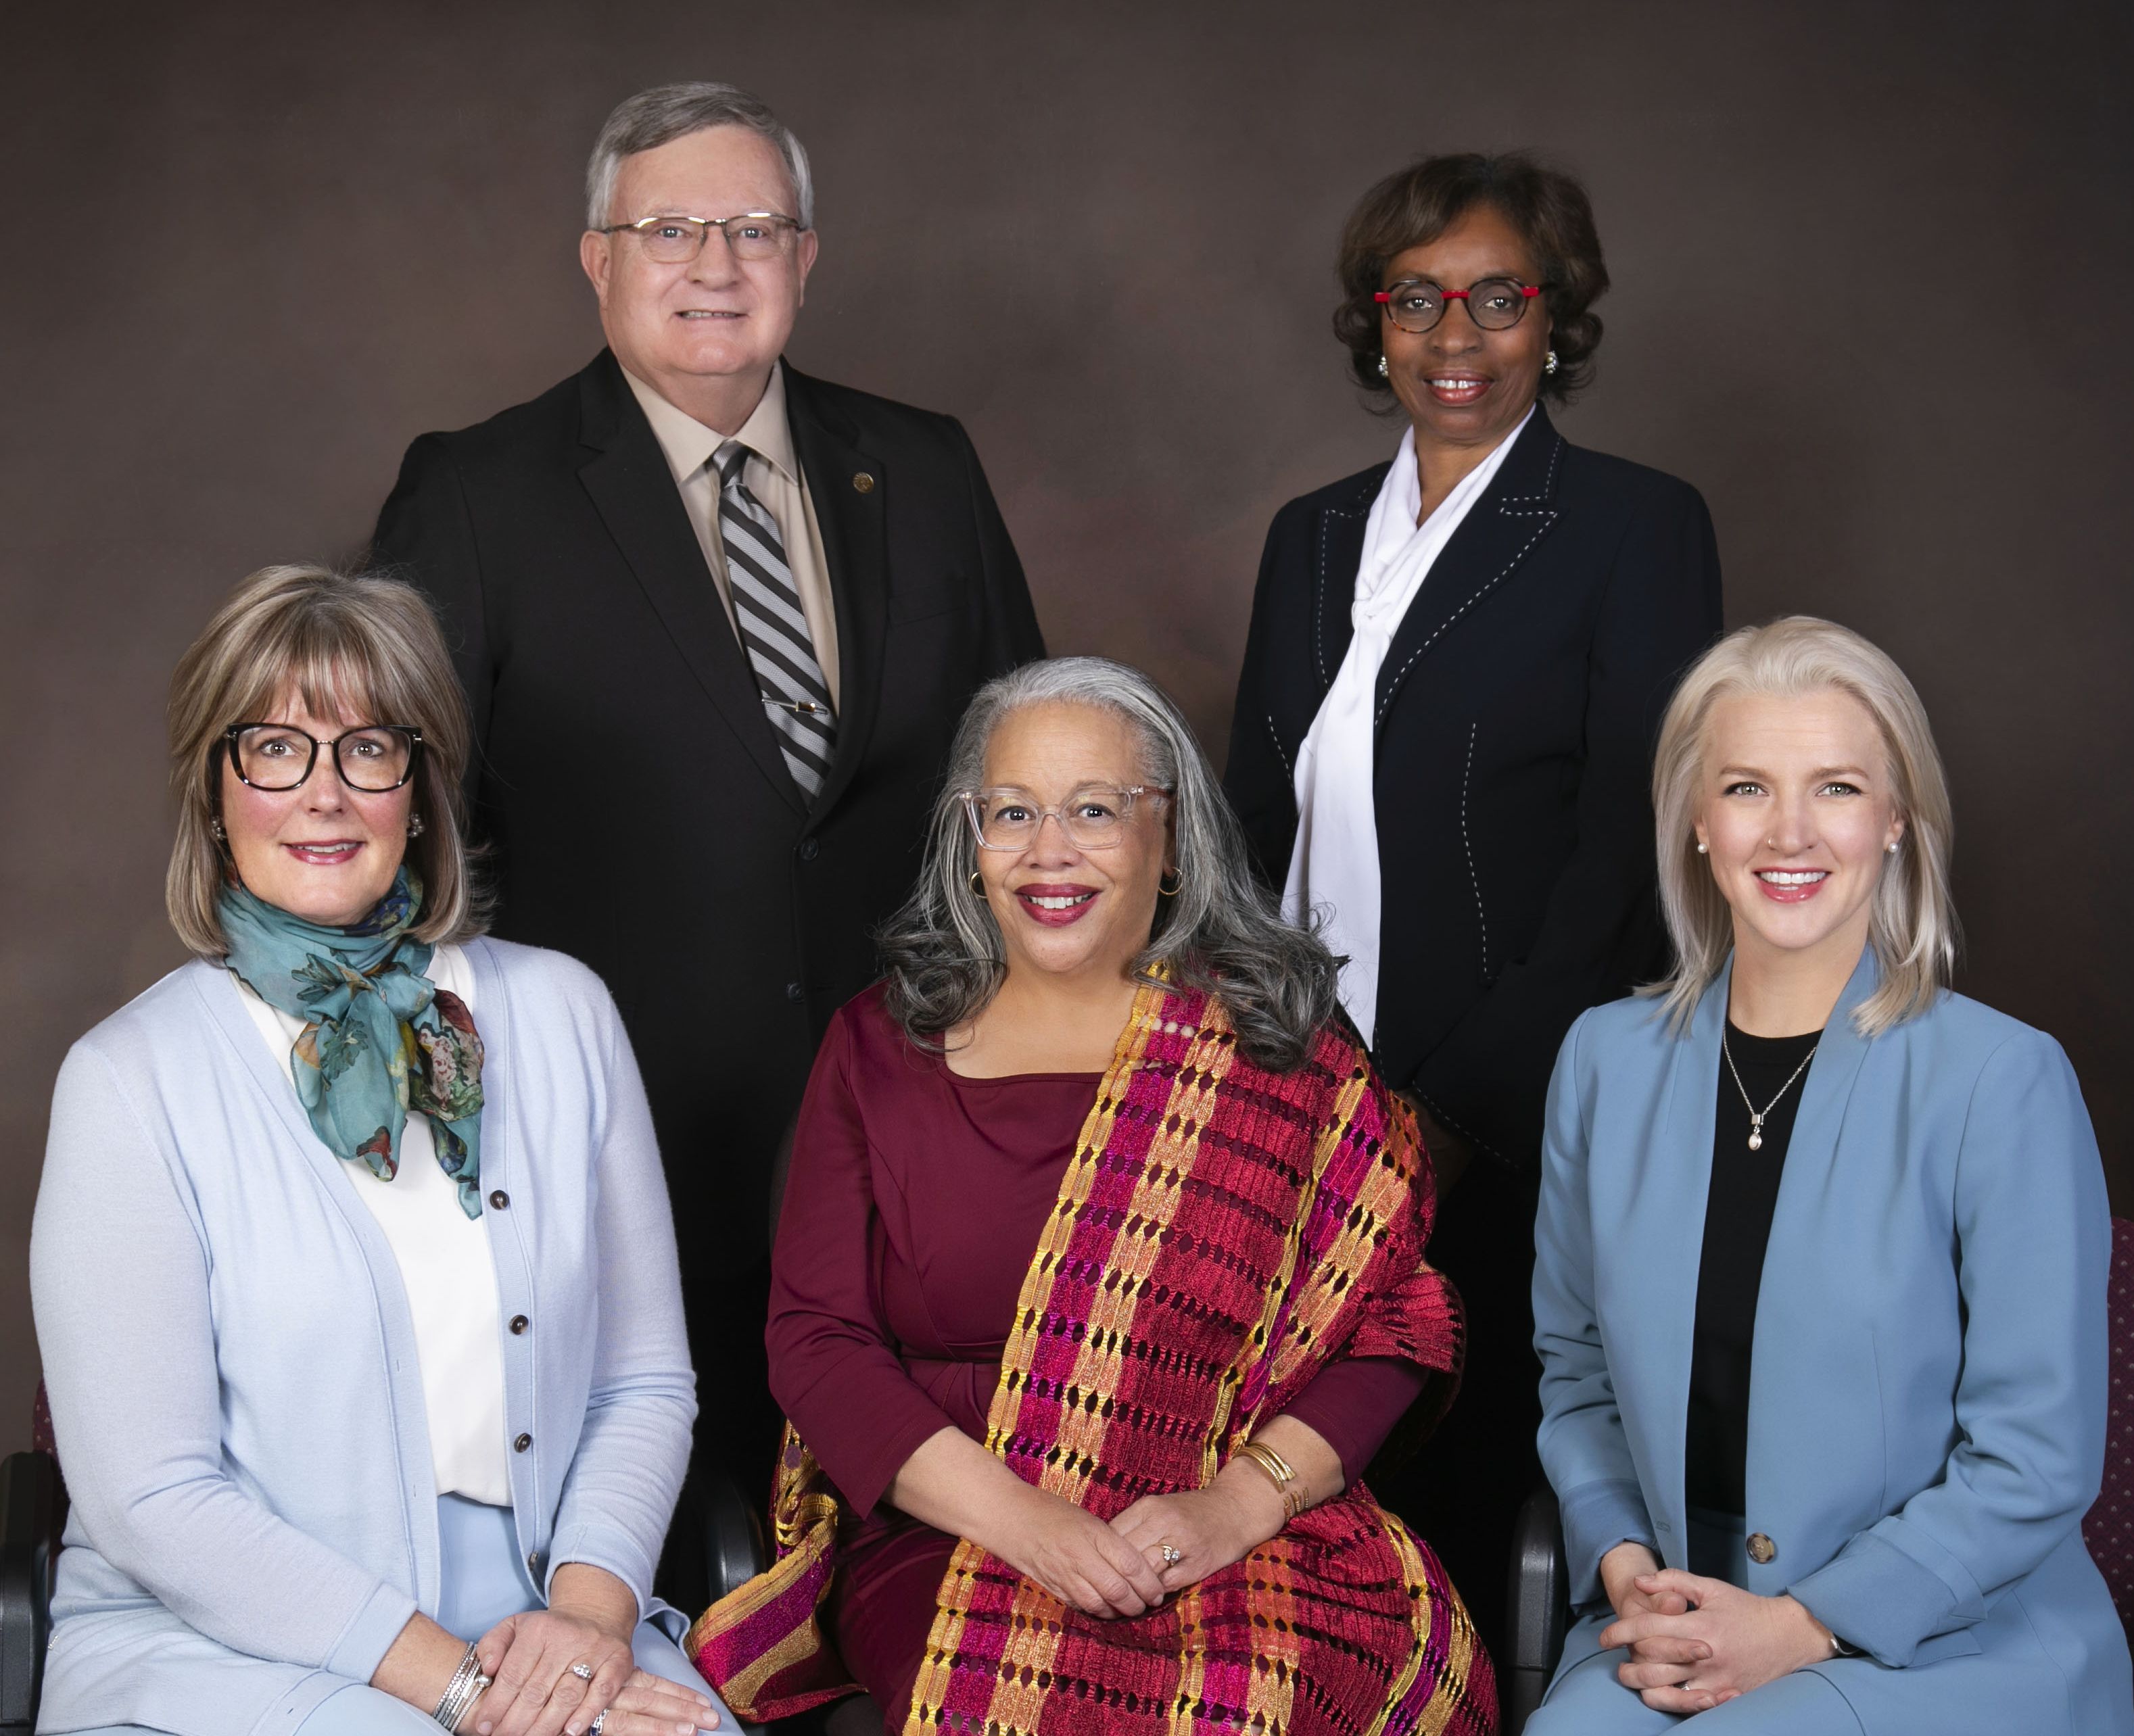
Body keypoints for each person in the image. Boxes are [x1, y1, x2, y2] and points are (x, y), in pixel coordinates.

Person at [369, 82, 1045, 1515]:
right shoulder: (480, 493)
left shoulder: (922, 464)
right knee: (679, 1552)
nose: (715, 264)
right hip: (626, 1142)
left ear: (807, 259)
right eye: (669, 228)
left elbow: (1030, 768)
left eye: (753, 227)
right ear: (597, 259)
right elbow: (403, 835)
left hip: (926, 1132)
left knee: (921, 1544)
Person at [686, 658, 1499, 1733]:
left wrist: (1231, 1509)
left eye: (1095, 811)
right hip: (955, 1532)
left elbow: (1399, 1322)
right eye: (1012, 812)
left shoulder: (1279, 1053)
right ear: (970, 843)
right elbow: (817, 1345)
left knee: (1285, 1705)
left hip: (1235, 1531)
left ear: (1169, 840)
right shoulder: (878, 1046)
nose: (1048, 851)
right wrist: (1033, 1526)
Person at [29, 565, 728, 1736]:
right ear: (214, 792)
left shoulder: (563, 1016)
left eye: (367, 750)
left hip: (544, 1617)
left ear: (421, 786)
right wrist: (464, 1695)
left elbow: (642, 1382)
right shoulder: (126, 1083)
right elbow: (151, 1499)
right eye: (274, 750)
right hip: (217, 1646)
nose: (325, 796)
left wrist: (591, 1632)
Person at [1222, 151, 1723, 1644]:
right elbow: (1253, 825)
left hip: (1509, 1106)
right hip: (1297, 1085)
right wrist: (1249, 1057)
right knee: (1279, 1473)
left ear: (1555, 319)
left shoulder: (1635, 526)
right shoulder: (1310, 537)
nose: (1457, 333)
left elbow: (1633, 847)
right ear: (1373, 324)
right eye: (1417, 298)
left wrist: (1455, 1118)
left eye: (1498, 298)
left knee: (1466, 1461)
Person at [1527, 617, 2133, 1733]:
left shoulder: (2003, 1081)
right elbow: (1577, 1373)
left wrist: (1800, 1627)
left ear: (1897, 821)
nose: (1791, 832)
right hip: (1675, 1619)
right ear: (1696, 823)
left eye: (1839, 788)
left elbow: (2034, 1458)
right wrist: (1622, 1562)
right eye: (1749, 788)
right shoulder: (1602, 1064)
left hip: (1945, 1641)